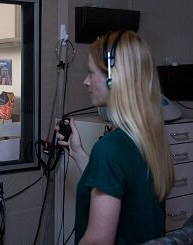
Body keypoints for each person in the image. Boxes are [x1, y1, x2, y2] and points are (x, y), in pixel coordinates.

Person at [57, 30, 175, 244]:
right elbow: (121, 186)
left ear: (113, 80)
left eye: (91, 73)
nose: (85, 82)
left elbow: (98, 241)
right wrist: (80, 154)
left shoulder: (110, 149)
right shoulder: (149, 140)